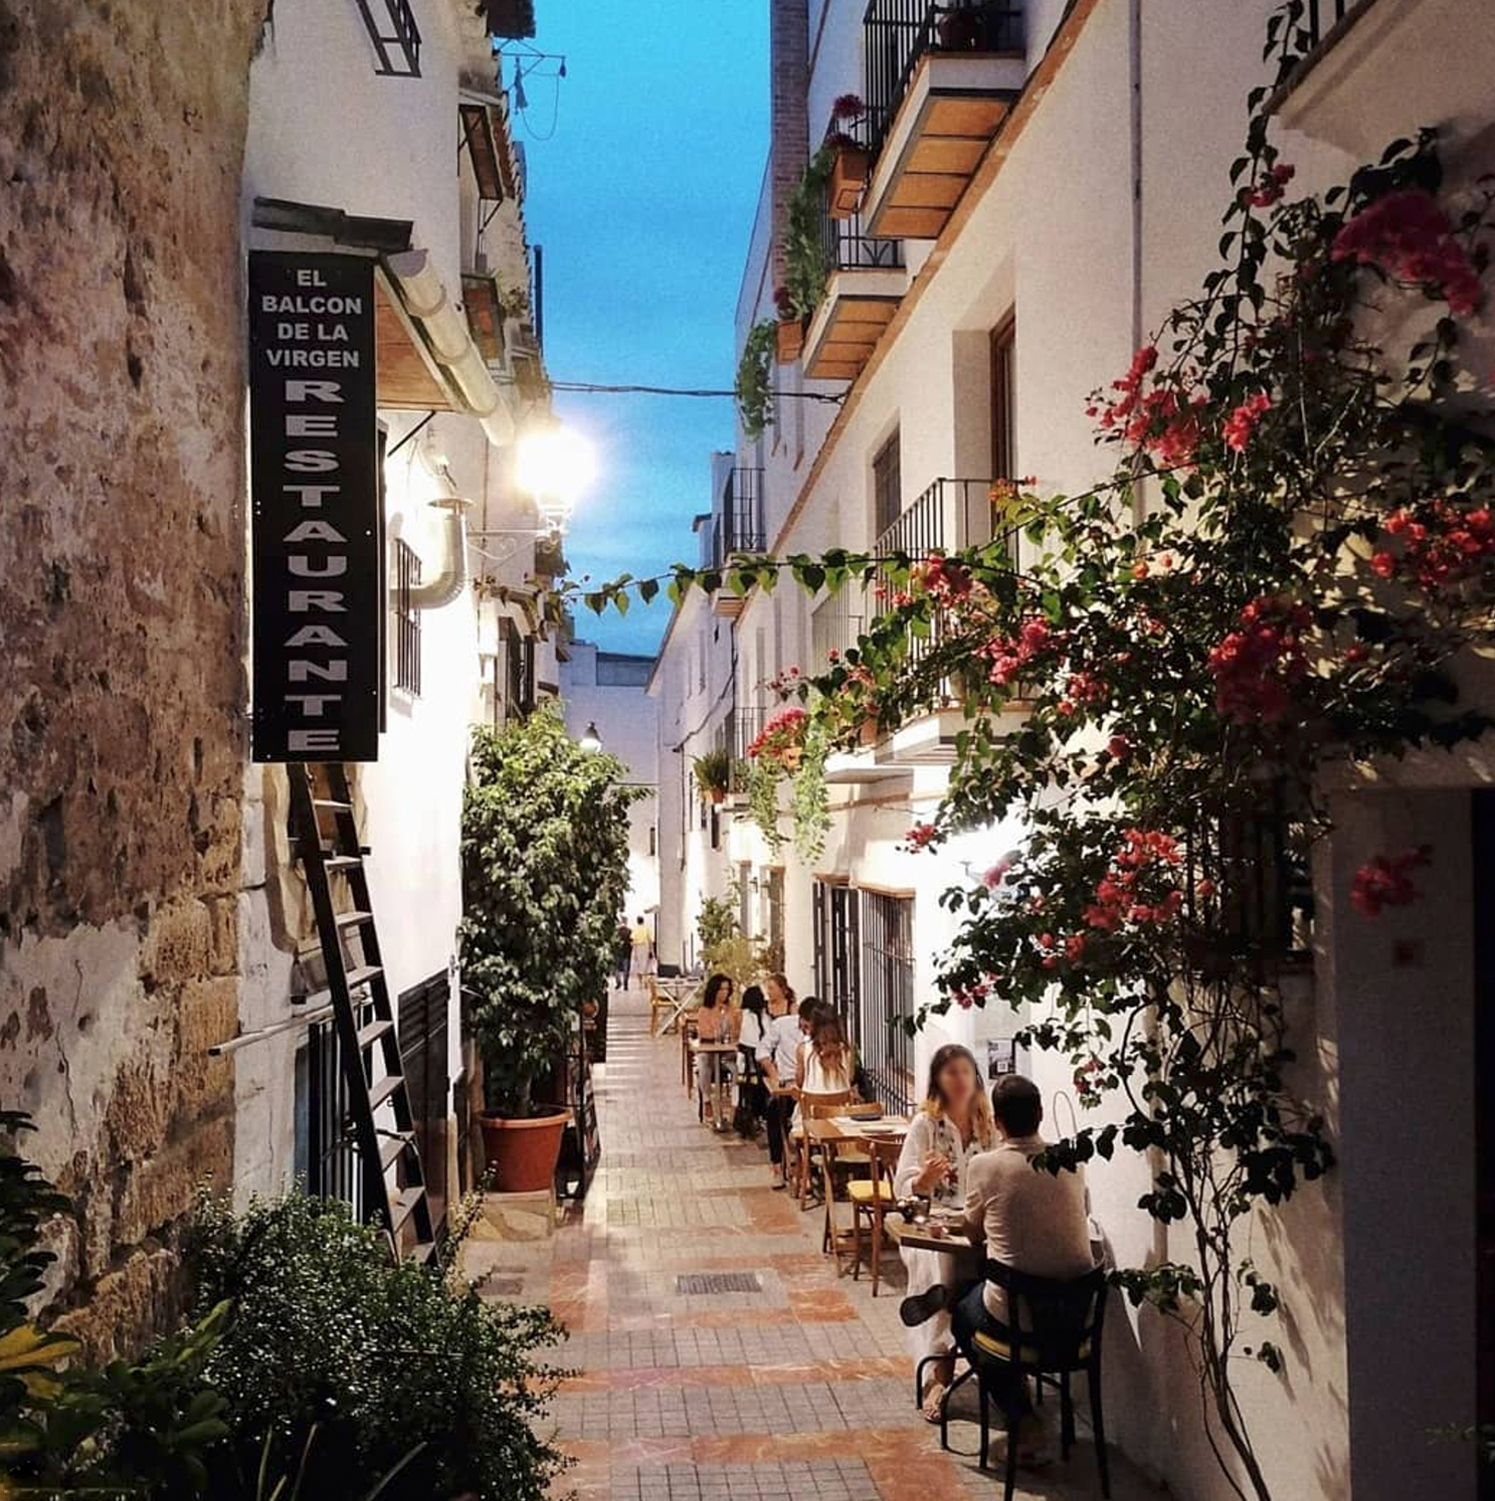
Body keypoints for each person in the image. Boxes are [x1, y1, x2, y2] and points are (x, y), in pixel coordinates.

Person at [946, 1075, 1093, 1467]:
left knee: (961, 1311)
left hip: (1019, 1320)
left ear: (997, 1123)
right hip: (1076, 1321)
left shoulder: (985, 1165)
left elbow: (973, 1233)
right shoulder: (1071, 1159)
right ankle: (1022, 1397)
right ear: (1040, 1114)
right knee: (983, 1292)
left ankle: (1023, 1420)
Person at [893, 1044, 999, 1422]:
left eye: (965, 1071)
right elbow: (902, 1188)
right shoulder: (926, 1125)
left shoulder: (989, 1125)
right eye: (951, 1072)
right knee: (942, 1269)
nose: (960, 1080)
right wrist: (923, 1180)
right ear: (938, 1079)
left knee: (998, 1266)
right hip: (934, 1228)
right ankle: (938, 1374)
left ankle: (994, 1359)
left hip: (978, 1227)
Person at [754, 978, 808, 1188]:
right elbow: (762, 1051)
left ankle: (803, 1165)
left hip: (807, 1089)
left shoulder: (817, 1037)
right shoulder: (781, 1024)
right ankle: (778, 1165)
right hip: (789, 1084)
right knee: (774, 1112)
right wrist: (774, 1074)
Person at [694, 973, 735, 1122]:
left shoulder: (731, 1009)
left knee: (739, 1064)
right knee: (703, 1060)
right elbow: (705, 1033)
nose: (724, 993)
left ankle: (735, 1103)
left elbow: (735, 1030)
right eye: (721, 989)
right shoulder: (704, 1011)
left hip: (728, 1052)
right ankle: (707, 1100)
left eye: (727, 989)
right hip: (710, 1050)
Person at [736, 984, 770, 1132]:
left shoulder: (741, 1015)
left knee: (745, 1088)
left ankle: (748, 1116)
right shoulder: (766, 1016)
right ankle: (761, 1115)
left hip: (746, 1063)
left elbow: (736, 1036)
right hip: (762, 1061)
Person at [629, 915, 654, 985]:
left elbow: (632, 939)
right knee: (645, 964)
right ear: (643, 921)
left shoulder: (635, 929)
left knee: (638, 965)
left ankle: (640, 982)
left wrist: (633, 948)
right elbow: (650, 940)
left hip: (637, 947)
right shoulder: (646, 929)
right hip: (645, 947)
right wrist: (651, 950)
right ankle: (645, 980)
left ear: (637, 921)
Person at [612, 922, 631, 990]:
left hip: (617, 952)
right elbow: (631, 941)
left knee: (616, 968)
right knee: (626, 969)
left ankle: (618, 982)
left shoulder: (615, 932)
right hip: (627, 952)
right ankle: (625, 984)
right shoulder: (629, 931)